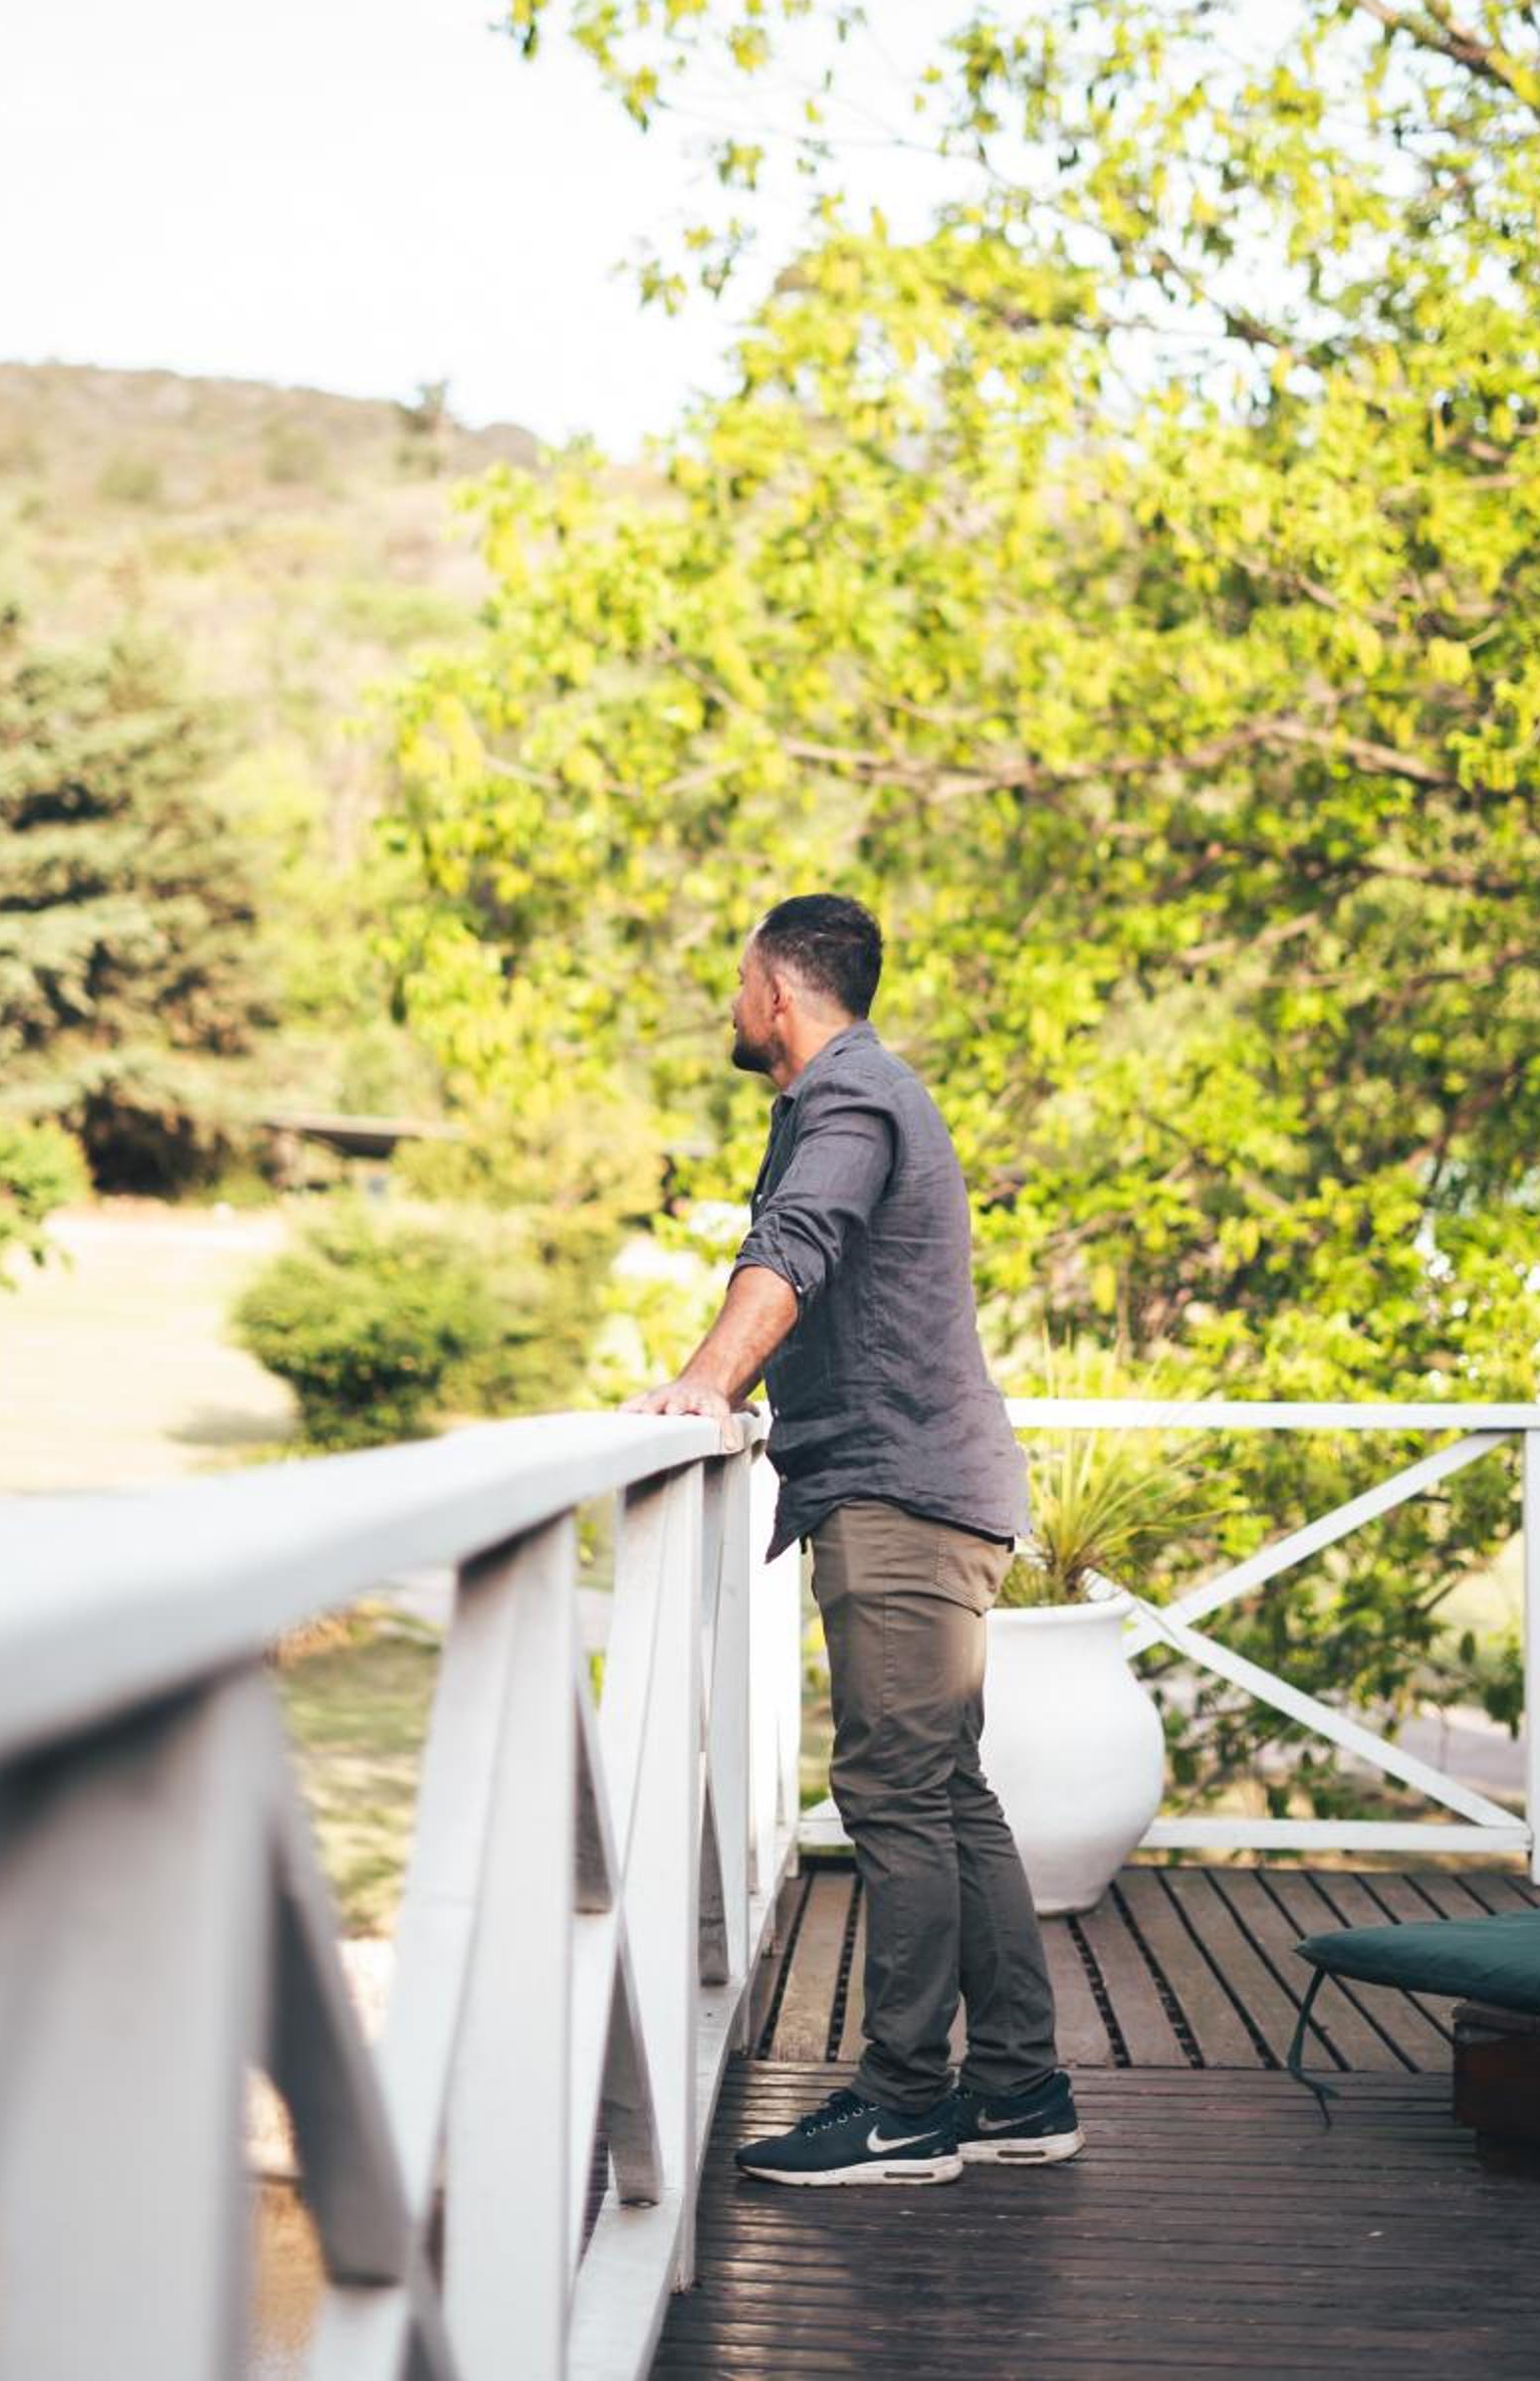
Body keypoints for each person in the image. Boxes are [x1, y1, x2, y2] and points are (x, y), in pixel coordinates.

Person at [625, 892, 1081, 2188]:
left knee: (892, 1792)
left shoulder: (852, 1099)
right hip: (923, 1489)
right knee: (944, 1790)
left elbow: (796, 1248)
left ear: (777, 991)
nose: (731, 1005)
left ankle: (902, 2106)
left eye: (738, 982)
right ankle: (1018, 2091)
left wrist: (705, 1383)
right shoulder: (852, 1096)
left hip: (903, 1497)